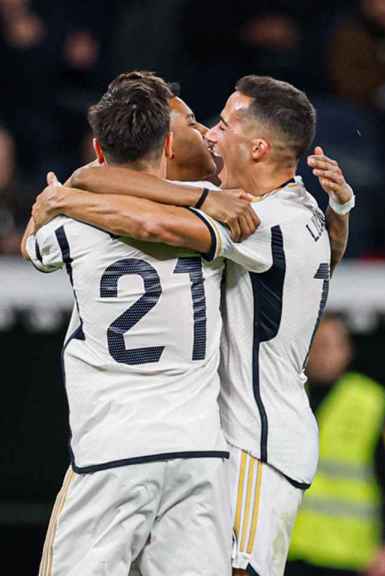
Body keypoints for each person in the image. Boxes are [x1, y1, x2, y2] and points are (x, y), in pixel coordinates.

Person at [33, 74, 354, 576]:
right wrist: (341, 210)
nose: (209, 134)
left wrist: (66, 201)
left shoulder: (258, 221)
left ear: (258, 147)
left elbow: (150, 224)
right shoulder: (298, 209)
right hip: (214, 444)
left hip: (253, 442)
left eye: (222, 125)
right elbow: (325, 261)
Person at [22, 75, 234, 576]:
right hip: (197, 451)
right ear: (166, 144)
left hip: (112, 451)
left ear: (98, 147)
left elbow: (34, 244)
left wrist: (64, 196)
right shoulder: (217, 207)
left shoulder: (70, 223)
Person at [288, 315, 385, 576]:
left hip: (349, 554)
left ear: (347, 351)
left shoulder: (371, 401)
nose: (322, 354)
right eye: (316, 345)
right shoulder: (286, 395)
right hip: (292, 547)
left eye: (329, 345)